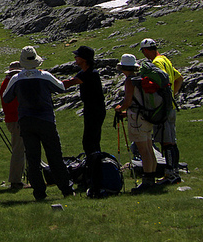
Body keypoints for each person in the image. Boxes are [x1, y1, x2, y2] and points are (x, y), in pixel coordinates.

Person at [3, 46, 74, 201]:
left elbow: (6, 97)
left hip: (26, 120)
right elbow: (61, 88)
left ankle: (39, 192)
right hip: (45, 119)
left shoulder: (16, 78)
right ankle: (66, 189)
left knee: (32, 158)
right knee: (54, 155)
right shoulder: (45, 76)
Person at [140, 38, 183, 185]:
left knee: (167, 142)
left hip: (163, 108)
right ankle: (174, 171)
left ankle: (170, 174)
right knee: (171, 140)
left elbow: (162, 82)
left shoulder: (156, 63)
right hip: (169, 105)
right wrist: (173, 95)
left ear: (146, 50)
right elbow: (179, 78)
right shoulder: (165, 59)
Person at [114, 54, 159, 194]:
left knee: (143, 149)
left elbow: (127, 102)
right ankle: (151, 177)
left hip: (136, 118)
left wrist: (119, 109)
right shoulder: (139, 79)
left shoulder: (130, 81)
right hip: (146, 116)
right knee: (149, 148)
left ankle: (146, 181)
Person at [62, 46, 106, 155]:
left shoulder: (89, 74)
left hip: (94, 111)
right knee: (92, 140)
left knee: (89, 141)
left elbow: (68, 83)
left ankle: (94, 164)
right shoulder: (86, 72)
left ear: (84, 59)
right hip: (93, 110)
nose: (75, 57)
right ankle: (96, 163)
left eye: (77, 56)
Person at [0, 61, 26, 189]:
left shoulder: (6, 83)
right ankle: (15, 180)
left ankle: (20, 178)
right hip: (17, 119)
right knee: (19, 150)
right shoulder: (12, 84)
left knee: (20, 149)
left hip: (12, 119)